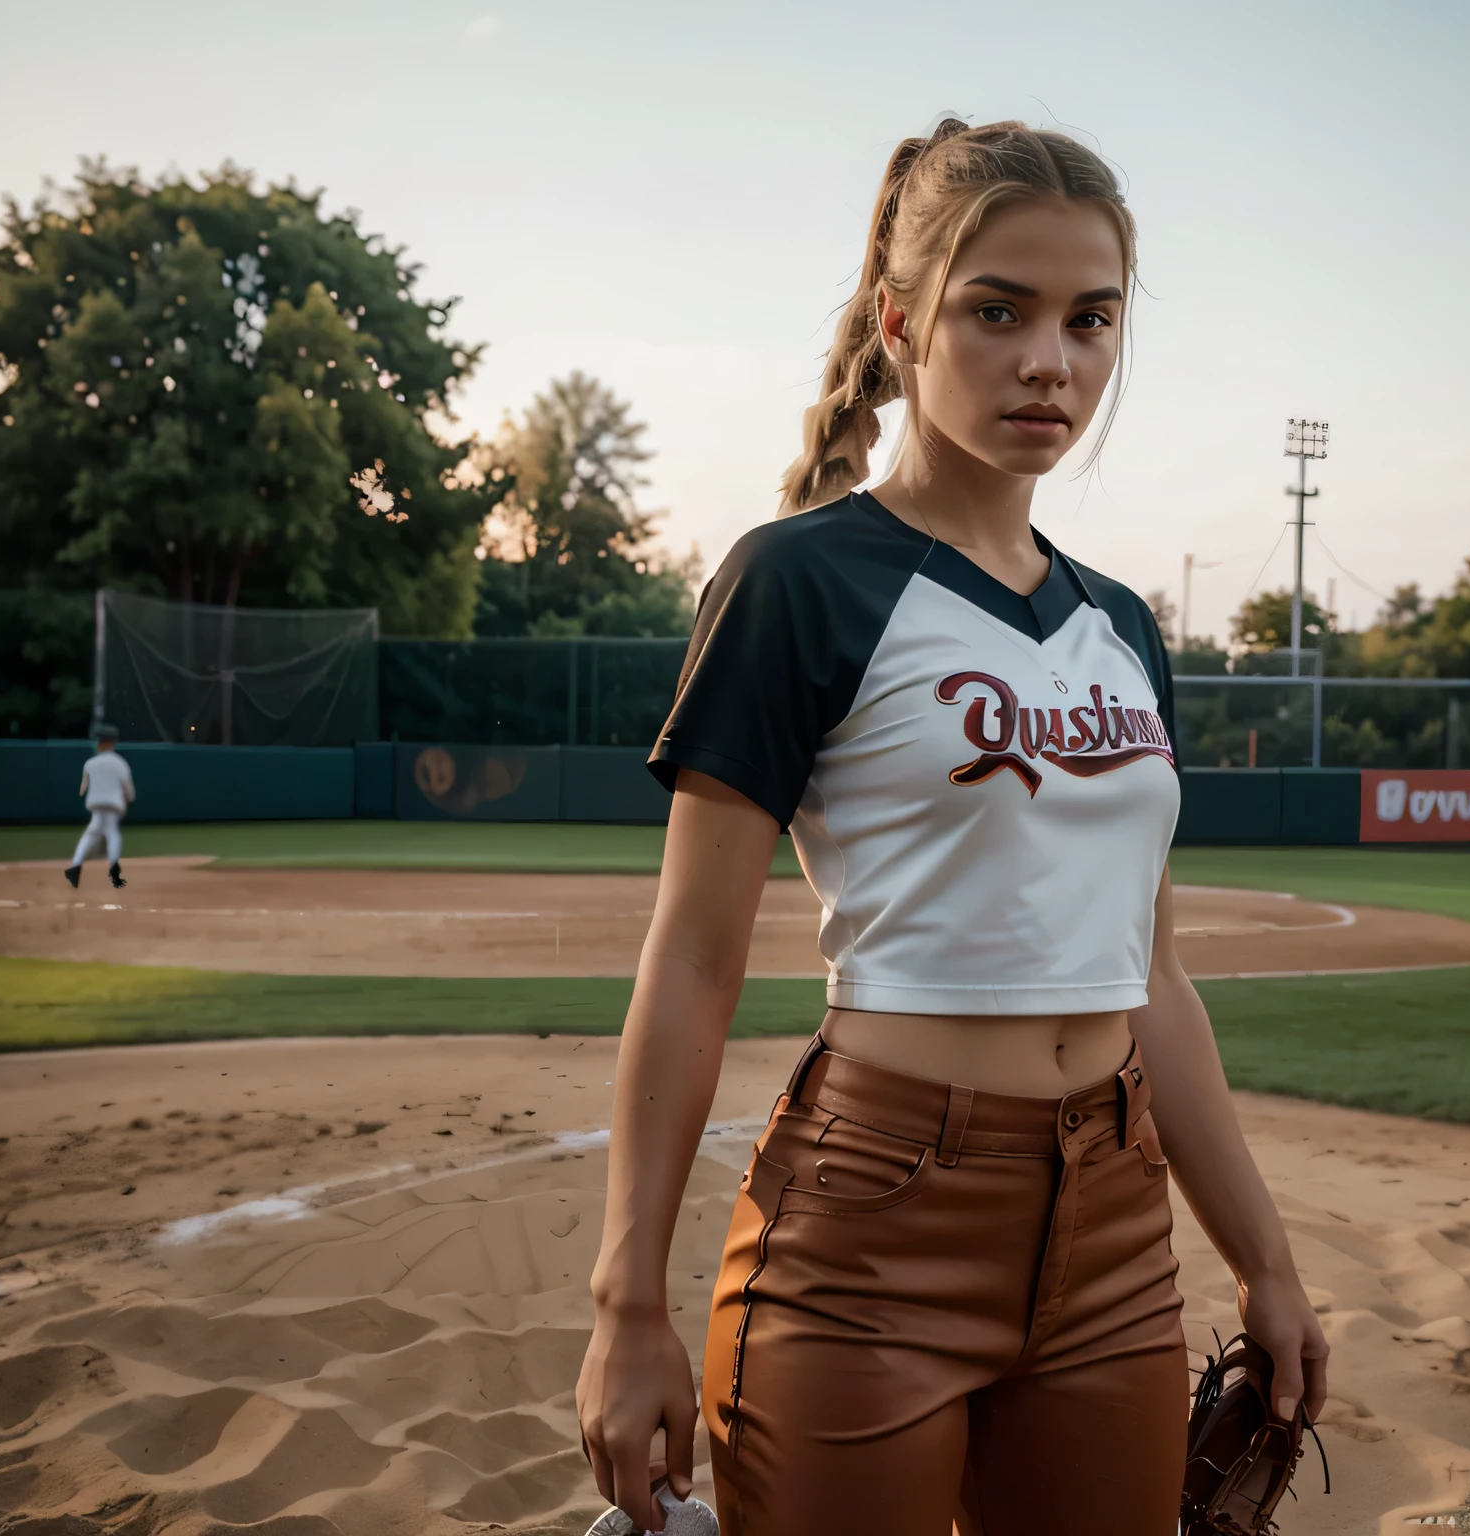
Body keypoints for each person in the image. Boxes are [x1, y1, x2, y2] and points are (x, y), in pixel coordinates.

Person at [575, 118, 1329, 1536]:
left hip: (1114, 1228)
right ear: (903, 323)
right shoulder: (796, 582)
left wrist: (1266, 1262)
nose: (1051, 360)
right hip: (872, 1219)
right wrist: (626, 1306)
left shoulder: (1121, 629)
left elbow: (1153, 978)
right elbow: (692, 961)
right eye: (1000, 311)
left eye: (1088, 319)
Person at [65, 724, 135, 890]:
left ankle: (75, 867)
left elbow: (83, 788)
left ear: (101, 743)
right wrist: (126, 801)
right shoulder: (120, 763)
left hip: (96, 804)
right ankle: (114, 873)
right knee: (112, 833)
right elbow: (130, 793)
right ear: (113, 743)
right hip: (113, 805)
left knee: (91, 833)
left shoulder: (90, 763)